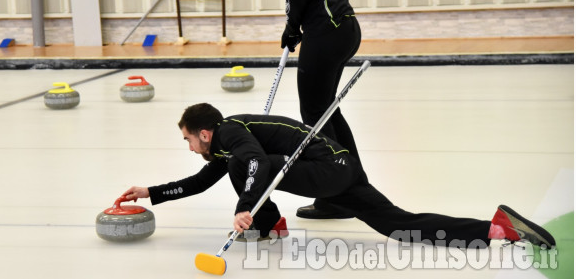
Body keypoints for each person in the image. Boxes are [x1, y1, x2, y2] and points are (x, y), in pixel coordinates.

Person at [122, 103, 556, 249]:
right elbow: (200, 182)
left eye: (187, 140)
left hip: (328, 169)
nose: (189, 147)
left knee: (249, 165)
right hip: (338, 171)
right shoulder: (226, 142)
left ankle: (270, 224)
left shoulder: (234, 133)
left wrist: (244, 208)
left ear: (203, 132)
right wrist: (151, 192)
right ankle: (500, 228)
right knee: (398, 226)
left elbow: (253, 163)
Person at [228, 0, 361, 220]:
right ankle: (353, 184)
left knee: (314, 117)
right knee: (327, 111)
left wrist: (292, 27)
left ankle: (339, 194)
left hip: (326, 33)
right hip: (345, 26)